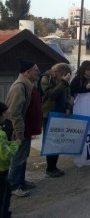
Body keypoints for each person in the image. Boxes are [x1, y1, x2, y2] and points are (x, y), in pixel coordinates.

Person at [5, 59, 42, 198]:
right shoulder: (19, 86)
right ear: (27, 73)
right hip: (18, 130)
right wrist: (19, 133)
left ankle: (21, 181)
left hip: (26, 128)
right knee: (18, 158)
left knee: (23, 157)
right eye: (35, 70)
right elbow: (14, 112)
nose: (38, 72)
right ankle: (14, 186)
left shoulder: (28, 85)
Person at [41, 63, 73, 177]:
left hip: (60, 114)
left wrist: (69, 107)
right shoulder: (46, 78)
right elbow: (51, 94)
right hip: (49, 114)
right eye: (63, 75)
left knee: (58, 140)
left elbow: (69, 95)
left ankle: (54, 166)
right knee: (51, 141)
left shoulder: (64, 82)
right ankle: (50, 168)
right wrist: (63, 82)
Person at [0, 102, 20, 218]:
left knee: (7, 193)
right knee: (2, 197)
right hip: (1, 170)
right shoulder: (1, 135)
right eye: (3, 114)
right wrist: (15, 144)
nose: (5, 116)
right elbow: (6, 154)